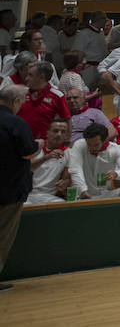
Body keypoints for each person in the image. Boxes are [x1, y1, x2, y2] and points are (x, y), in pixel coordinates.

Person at [1, 80, 40, 289]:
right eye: (22, 101)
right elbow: (28, 152)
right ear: (15, 101)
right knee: (2, 235)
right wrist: (38, 145)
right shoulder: (16, 123)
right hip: (8, 190)